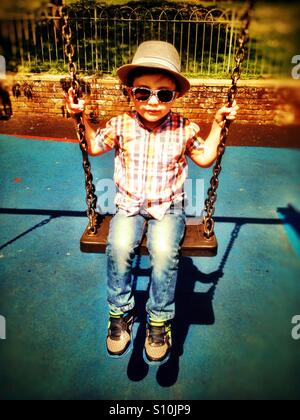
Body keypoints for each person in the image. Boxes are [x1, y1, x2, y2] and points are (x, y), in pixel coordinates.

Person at [65, 41, 239, 365]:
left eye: (164, 94)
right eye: (143, 92)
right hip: (128, 205)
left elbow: (204, 156)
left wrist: (219, 124)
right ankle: (120, 314)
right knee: (118, 247)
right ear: (130, 92)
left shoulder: (184, 128)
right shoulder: (120, 125)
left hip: (168, 207)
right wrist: (81, 118)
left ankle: (159, 321)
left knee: (162, 252)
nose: (153, 101)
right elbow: (93, 146)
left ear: (176, 95)